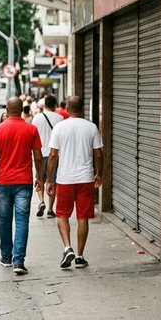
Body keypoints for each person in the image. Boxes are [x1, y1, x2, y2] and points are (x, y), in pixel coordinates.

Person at [0, 97, 43, 275]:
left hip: (3, 182)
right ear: (21, 110)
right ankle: (19, 261)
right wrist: (40, 177)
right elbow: (38, 157)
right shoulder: (31, 129)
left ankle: (6, 257)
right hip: (24, 181)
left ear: (7, 110)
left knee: (5, 219)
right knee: (22, 221)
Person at [46, 95, 103, 270]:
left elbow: (53, 155)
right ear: (82, 109)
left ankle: (67, 247)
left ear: (67, 109)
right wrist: (99, 174)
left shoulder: (59, 127)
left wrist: (49, 179)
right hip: (86, 178)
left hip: (65, 179)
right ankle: (79, 256)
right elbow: (99, 154)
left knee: (62, 214)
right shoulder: (91, 127)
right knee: (82, 217)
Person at [31, 95, 63, 219]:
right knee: (52, 181)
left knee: (40, 178)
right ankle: (50, 209)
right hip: (54, 154)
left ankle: (41, 201)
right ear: (55, 106)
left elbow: (33, 134)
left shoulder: (37, 117)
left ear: (44, 105)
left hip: (40, 153)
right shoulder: (60, 118)